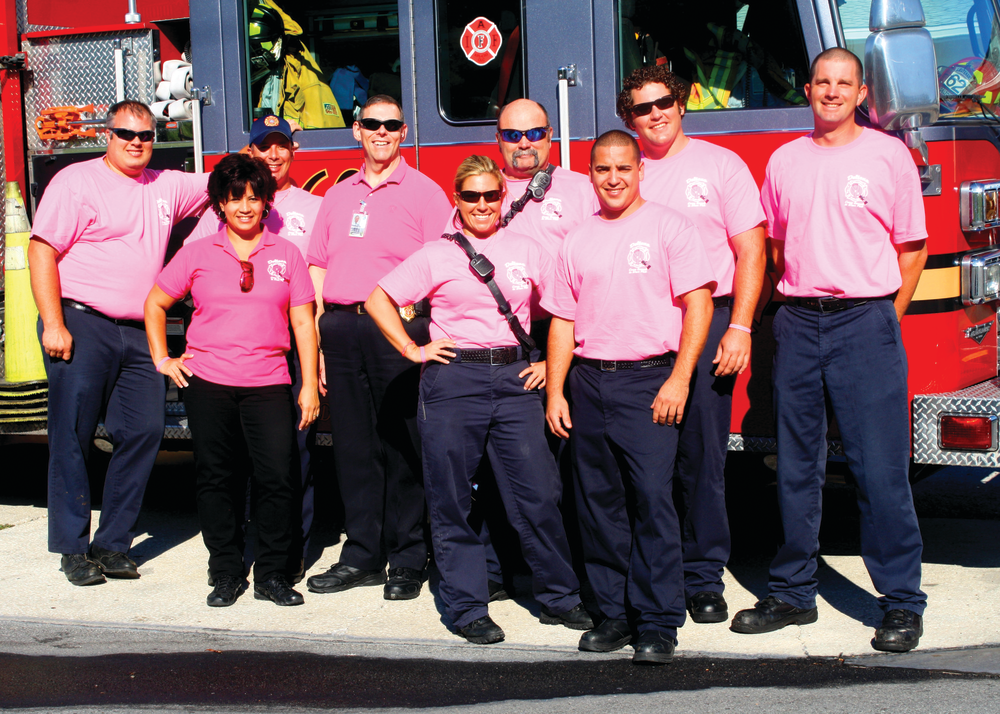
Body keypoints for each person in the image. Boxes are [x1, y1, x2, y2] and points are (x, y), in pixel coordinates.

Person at [729, 48, 928, 653]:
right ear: (808, 90)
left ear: (862, 93)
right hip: (796, 322)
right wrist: (796, 309)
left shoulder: (888, 154)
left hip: (866, 321)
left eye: (844, 83)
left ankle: (900, 602)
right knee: (795, 467)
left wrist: (881, 318)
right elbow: (777, 248)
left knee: (880, 472)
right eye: (822, 82)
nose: (832, 92)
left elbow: (913, 249)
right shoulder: (785, 160)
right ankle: (792, 593)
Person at [365, 155, 592, 644]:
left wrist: (550, 367)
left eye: (491, 195)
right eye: (472, 196)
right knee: (451, 500)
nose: (483, 204)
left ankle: (560, 596)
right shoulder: (436, 254)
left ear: (503, 197)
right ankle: (468, 607)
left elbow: (564, 310)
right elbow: (377, 299)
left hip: (515, 381)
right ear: (457, 199)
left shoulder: (529, 249)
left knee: (538, 493)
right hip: (453, 381)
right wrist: (412, 347)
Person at [544, 131, 715, 665]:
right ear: (590, 174)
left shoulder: (671, 226)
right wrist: (555, 390)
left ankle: (659, 620)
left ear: (641, 170)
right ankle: (615, 613)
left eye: (622, 167)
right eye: (601, 169)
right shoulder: (576, 238)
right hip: (589, 383)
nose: (612, 178)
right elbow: (562, 321)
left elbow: (700, 305)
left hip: (649, 380)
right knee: (599, 505)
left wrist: (680, 378)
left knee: (652, 502)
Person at [28, 100, 209, 586]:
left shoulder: (166, 184)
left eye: (146, 136)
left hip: (138, 330)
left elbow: (225, 180)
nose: (136, 143)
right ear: (107, 135)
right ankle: (72, 548)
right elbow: (42, 250)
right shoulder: (76, 182)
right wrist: (52, 322)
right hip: (82, 324)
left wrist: (264, 148)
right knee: (73, 437)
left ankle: (112, 545)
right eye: (126, 134)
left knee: (145, 432)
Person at [617, 65, 767, 624]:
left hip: (709, 328)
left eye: (662, 103)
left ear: (681, 103)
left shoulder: (720, 165)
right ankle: (656, 568)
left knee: (701, 458)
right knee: (647, 460)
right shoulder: (624, 171)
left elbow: (751, 251)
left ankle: (703, 577)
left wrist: (742, 326)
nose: (654, 115)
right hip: (645, 331)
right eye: (640, 108)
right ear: (626, 118)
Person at [145, 153, 319, 608]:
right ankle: (224, 571)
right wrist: (163, 358)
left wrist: (307, 384)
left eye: (254, 196)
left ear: (266, 201)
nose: (245, 205)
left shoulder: (287, 254)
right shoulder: (198, 253)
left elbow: (303, 324)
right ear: (220, 204)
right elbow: (156, 303)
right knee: (217, 478)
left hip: (269, 383)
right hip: (209, 383)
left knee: (277, 477)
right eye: (234, 197)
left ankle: (272, 574)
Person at [306, 95, 452, 601]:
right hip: (342, 329)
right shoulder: (338, 194)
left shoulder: (426, 193)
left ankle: (408, 558)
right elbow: (318, 267)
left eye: (392, 125)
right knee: (352, 446)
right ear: (357, 130)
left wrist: (425, 327)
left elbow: (443, 264)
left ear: (404, 131)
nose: (382, 132)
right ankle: (362, 554)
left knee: (402, 445)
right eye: (373, 123)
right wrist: (322, 336)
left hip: (399, 329)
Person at [189, 114, 323, 579]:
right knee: (224, 472)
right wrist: (174, 354)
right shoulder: (214, 222)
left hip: (281, 359)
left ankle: (285, 560)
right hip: (219, 370)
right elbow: (177, 285)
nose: (273, 153)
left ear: (293, 150)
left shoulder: (314, 208)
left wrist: (312, 370)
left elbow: (313, 299)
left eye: (281, 144)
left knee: (286, 469)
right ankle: (226, 567)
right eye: (264, 146)